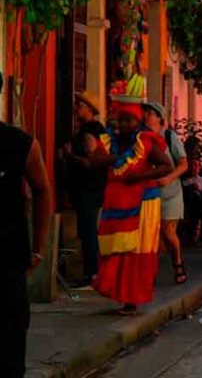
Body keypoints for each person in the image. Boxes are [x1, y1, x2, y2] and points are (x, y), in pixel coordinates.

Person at [94, 97, 173, 315]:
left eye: (129, 120)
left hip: (144, 204)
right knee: (116, 248)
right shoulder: (109, 140)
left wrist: (139, 177)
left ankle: (132, 300)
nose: (124, 124)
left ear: (138, 121)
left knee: (135, 252)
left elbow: (166, 166)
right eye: (121, 120)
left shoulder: (145, 140)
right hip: (116, 203)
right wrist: (111, 160)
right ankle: (118, 293)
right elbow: (94, 160)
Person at [0, 72, 53, 378]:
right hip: (10, 262)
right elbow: (42, 191)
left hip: (6, 262)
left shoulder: (20, 144)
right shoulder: (22, 143)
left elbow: (42, 190)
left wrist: (38, 248)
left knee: (8, 346)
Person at [61, 91, 107, 288]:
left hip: (88, 188)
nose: (76, 108)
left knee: (87, 231)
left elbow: (90, 160)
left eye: (79, 105)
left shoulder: (89, 131)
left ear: (88, 109)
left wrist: (69, 155)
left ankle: (92, 273)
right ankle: (92, 272)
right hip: (92, 187)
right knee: (87, 230)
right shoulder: (96, 129)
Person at [142, 102, 188, 285]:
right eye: (146, 113)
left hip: (170, 193)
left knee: (168, 232)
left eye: (150, 113)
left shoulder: (169, 137)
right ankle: (151, 271)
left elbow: (183, 164)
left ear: (160, 118)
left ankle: (178, 262)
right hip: (149, 193)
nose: (146, 116)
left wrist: (169, 178)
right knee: (152, 235)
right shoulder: (141, 137)